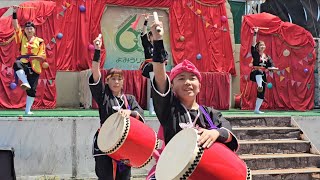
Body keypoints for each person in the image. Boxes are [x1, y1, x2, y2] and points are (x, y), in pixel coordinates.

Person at [149, 21, 239, 178]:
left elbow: (228, 132)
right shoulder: (169, 109)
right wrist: (158, 41)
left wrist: (215, 134)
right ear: (173, 85)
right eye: (181, 78)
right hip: (175, 173)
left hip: (205, 173)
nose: (188, 82)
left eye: (192, 78)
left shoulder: (211, 114)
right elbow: (160, 76)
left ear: (199, 86)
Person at [89, 35, 144, 180]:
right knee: (105, 176)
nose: (116, 81)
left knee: (124, 177)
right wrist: (97, 50)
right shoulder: (103, 96)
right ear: (106, 81)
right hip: (104, 142)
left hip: (125, 144)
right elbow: (95, 71)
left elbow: (140, 113)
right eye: (113, 78)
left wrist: (130, 112)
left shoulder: (129, 99)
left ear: (123, 81)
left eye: (119, 78)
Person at [12, 5, 47, 115]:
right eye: (27, 28)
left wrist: (33, 57)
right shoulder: (21, 37)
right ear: (25, 30)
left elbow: (42, 57)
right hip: (24, 64)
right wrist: (14, 12)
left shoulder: (40, 41)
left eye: (31, 28)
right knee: (17, 64)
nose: (29, 30)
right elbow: (15, 26)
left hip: (35, 66)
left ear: (34, 30)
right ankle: (25, 82)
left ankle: (27, 111)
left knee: (32, 90)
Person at [139, 13, 168, 115]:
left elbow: (165, 56)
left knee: (157, 85)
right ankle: (152, 108)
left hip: (157, 70)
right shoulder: (147, 45)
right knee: (153, 67)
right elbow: (143, 33)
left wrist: (164, 61)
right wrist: (146, 21)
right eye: (151, 35)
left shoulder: (159, 45)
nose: (152, 37)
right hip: (149, 68)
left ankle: (157, 107)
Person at [250, 27, 278, 114]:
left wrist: (273, 69)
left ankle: (257, 110)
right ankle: (260, 86)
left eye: (263, 45)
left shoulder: (267, 57)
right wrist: (255, 33)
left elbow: (271, 65)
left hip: (262, 76)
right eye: (260, 45)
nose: (262, 46)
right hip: (255, 73)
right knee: (259, 72)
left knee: (262, 93)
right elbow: (253, 44)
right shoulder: (255, 54)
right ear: (257, 47)